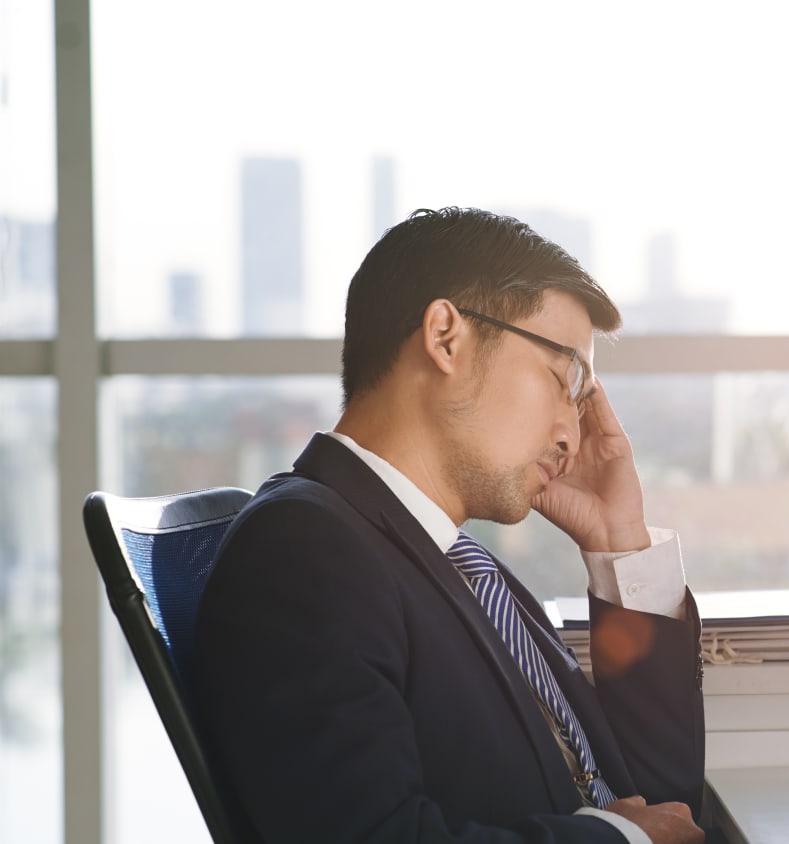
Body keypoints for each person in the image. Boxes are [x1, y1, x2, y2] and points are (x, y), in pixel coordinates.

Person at [191, 207, 707, 844]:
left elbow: (662, 800)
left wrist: (617, 543)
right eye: (562, 379)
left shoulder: (458, 563)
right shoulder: (303, 551)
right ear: (445, 338)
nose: (573, 435)